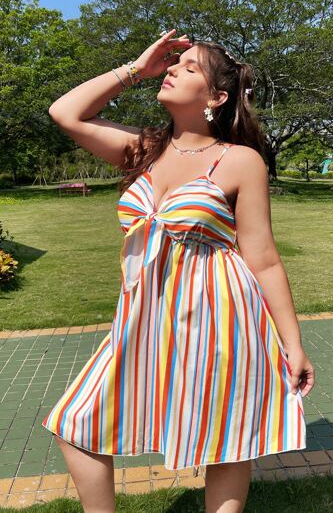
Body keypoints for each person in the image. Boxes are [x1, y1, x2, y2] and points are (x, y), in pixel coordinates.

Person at [42, 28, 315, 513]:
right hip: (143, 317)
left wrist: (293, 344)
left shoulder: (240, 161)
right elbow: (65, 113)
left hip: (220, 315)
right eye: (174, 64)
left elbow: (264, 258)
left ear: (216, 97)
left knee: (226, 437)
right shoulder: (144, 148)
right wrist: (135, 69)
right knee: (77, 423)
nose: (171, 70)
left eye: (189, 67)